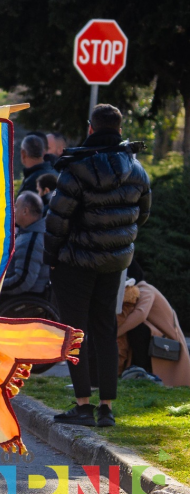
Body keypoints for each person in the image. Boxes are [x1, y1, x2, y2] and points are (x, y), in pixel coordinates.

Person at [46, 104, 150, 428]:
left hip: (75, 262)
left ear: (91, 128)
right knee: (106, 329)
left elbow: (57, 220)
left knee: (75, 332)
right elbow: (142, 214)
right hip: (114, 263)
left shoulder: (76, 167)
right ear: (120, 130)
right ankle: (106, 408)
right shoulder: (137, 169)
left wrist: (51, 259)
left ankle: (82, 405)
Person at [117, 281, 190, 388]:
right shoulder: (144, 289)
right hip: (162, 337)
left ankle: (140, 373)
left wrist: (116, 333)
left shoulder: (146, 289)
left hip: (167, 340)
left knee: (138, 329)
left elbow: (140, 314)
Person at [1, 191, 48, 296]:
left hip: (23, 300)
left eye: (16, 207)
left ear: (25, 211)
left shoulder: (32, 240)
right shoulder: (28, 234)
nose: (13, 211)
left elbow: (23, 282)